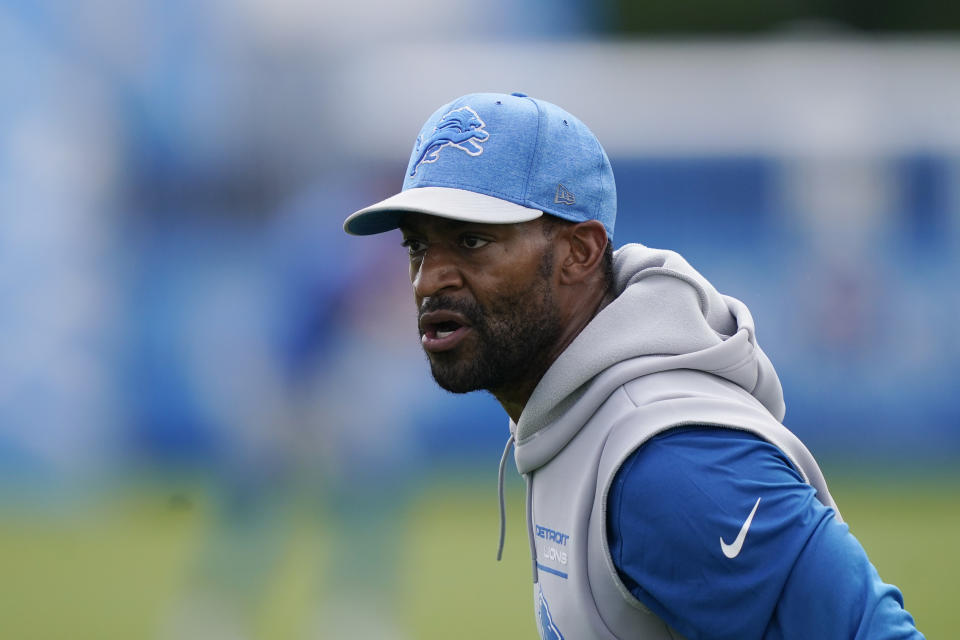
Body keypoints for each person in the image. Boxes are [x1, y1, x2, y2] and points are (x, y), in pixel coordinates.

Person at [342, 92, 923, 639]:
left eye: (471, 242)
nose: (428, 278)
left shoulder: (670, 465)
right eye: (417, 246)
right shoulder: (575, 419)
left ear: (581, 252)